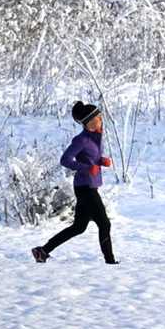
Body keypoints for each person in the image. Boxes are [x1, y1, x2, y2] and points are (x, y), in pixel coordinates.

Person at [31, 101, 118, 264]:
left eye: (98, 119)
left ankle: (42, 251)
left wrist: (100, 161)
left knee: (79, 227)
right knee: (104, 224)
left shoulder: (95, 138)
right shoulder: (81, 139)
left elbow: (90, 158)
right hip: (85, 188)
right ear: (87, 124)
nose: (98, 122)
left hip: (90, 187)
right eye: (93, 122)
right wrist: (86, 168)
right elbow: (65, 160)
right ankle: (110, 262)